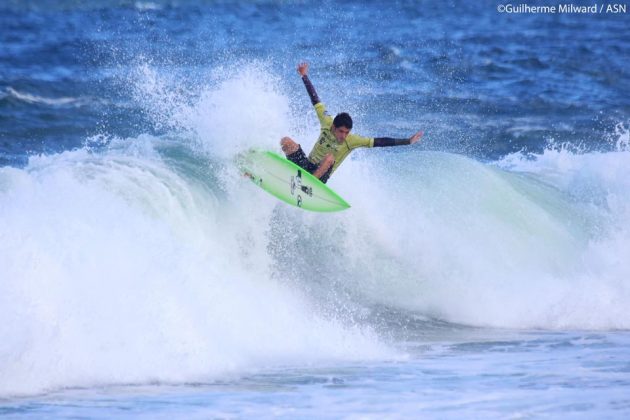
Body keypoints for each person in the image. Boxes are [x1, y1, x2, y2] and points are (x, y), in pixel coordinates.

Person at [280, 62, 423, 184]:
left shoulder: (351, 140)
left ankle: (310, 184)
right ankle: (289, 174)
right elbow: (315, 99)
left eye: (346, 132)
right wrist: (304, 75)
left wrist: (407, 141)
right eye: (341, 131)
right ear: (334, 127)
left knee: (330, 157)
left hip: (319, 176)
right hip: (307, 165)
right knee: (286, 141)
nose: (344, 135)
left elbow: (380, 142)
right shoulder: (326, 121)